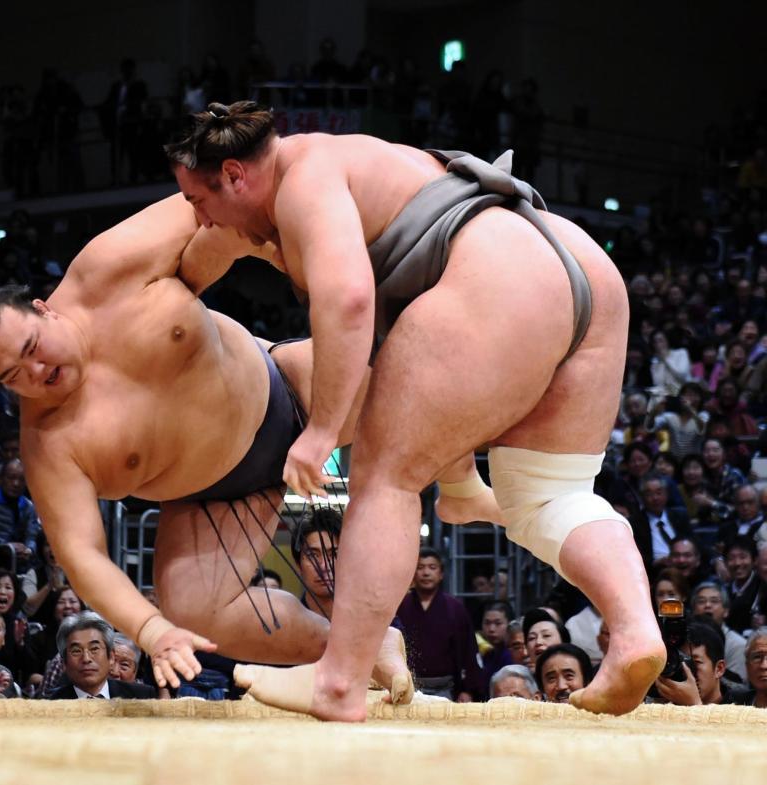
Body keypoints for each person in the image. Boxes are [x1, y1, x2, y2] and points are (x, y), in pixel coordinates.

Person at [167, 100, 665, 718]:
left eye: (197, 199)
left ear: (237, 175)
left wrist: (322, 432)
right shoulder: (338, 170)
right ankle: (636, 631)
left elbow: (350, 302)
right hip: (576, 261)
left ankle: (340, 682)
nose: (196, 214)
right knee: (550, 497)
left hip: (497, 274)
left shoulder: (305, 180)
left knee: (385, 476)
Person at [0, 194, 410, 701]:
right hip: (212, 501)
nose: (37, 374)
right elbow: (81, 555)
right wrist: (151, 630)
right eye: (13, 377)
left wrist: (279, 254)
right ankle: (357, 647)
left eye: (31, 349)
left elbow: (218, 208)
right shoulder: (47, 441)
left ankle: (475, 483)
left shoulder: (106, 268)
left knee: (425, 379)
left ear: (43, 309)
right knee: (195, 611)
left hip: (290, 389)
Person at [395, 547, 482, 700]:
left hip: (447, 688)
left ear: (441, 574)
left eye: (432, 567)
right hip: (408, 688)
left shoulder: (455, 608)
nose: (426, 573)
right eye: (420, 568)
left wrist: (467, 689)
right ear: (413, 574)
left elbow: (468, 651)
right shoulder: (400, 606)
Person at [47, 611, 156, 700]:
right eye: (76, 651)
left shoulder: (142, 697)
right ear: (64, 662)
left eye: (94, 649)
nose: (86, 659)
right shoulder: (50, 707)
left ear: (111, 657)